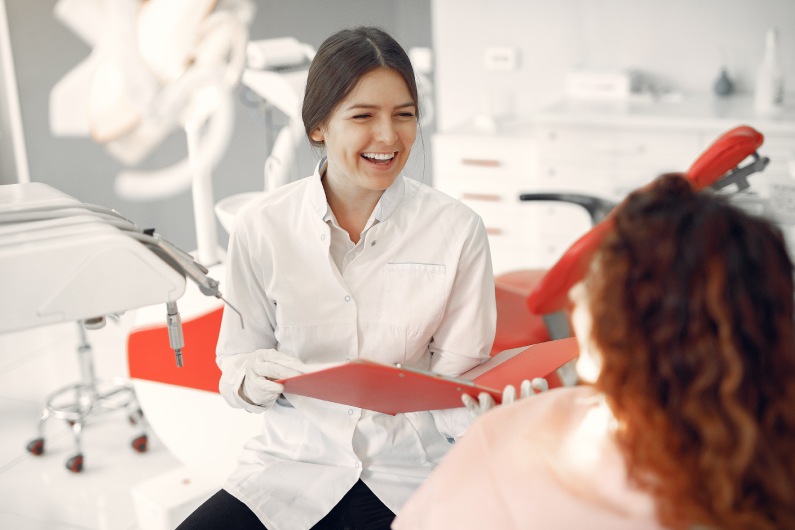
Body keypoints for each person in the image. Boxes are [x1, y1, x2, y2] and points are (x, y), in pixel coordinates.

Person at [177, 26, 497, 530]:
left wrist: (494, 416)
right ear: (318, 126)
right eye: (363, 116)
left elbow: (457, 386)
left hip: (407, 473)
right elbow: (234, 367)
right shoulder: (261, 227)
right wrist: (254, 378)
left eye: (404, 115)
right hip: (291, 468)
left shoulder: (457, 231)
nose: (389, 137)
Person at [393, 173, 795, 530]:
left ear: (618, 337)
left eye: (594, 282)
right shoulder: (772, 457)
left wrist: (496, 445)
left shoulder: (511, 440)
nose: (578, 293)